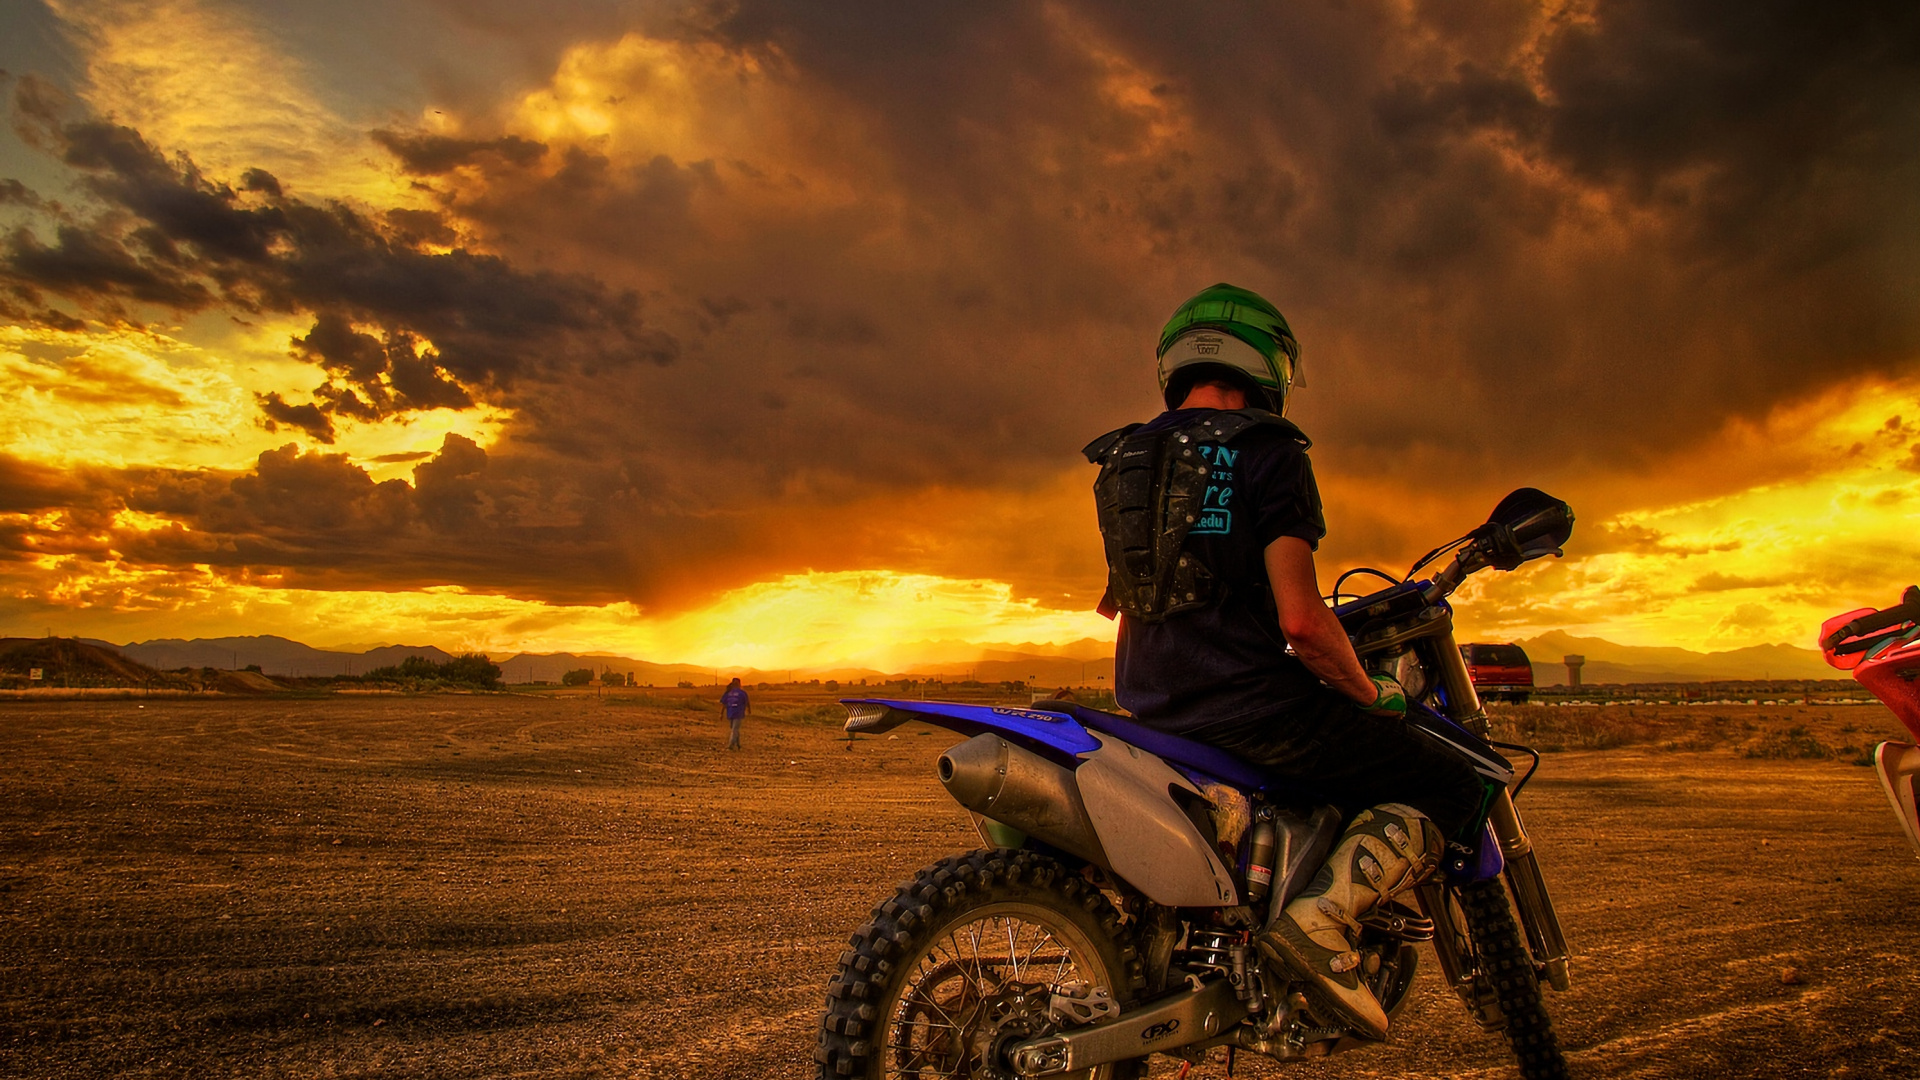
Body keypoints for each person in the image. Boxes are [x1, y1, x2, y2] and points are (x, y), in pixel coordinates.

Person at [1083, 283, 1488, 1040]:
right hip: (1251, 706)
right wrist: (1371, 692)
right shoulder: (1268, 452)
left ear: (1175, 361)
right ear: (1270, 366)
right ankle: (1320, 926)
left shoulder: (1128, 454)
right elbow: (1304, 622)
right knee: (1451, 784)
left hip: (1149, 699)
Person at [721, 678, 751, 750]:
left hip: (732, 713)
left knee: (734, 729)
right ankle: (735, 745)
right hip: (736, 713)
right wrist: (748, 709)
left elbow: (724, 704)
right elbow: (747, 702)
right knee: (734, 729)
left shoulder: (729, 692)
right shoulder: (741, 693)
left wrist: (721, 713)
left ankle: (733, 744)